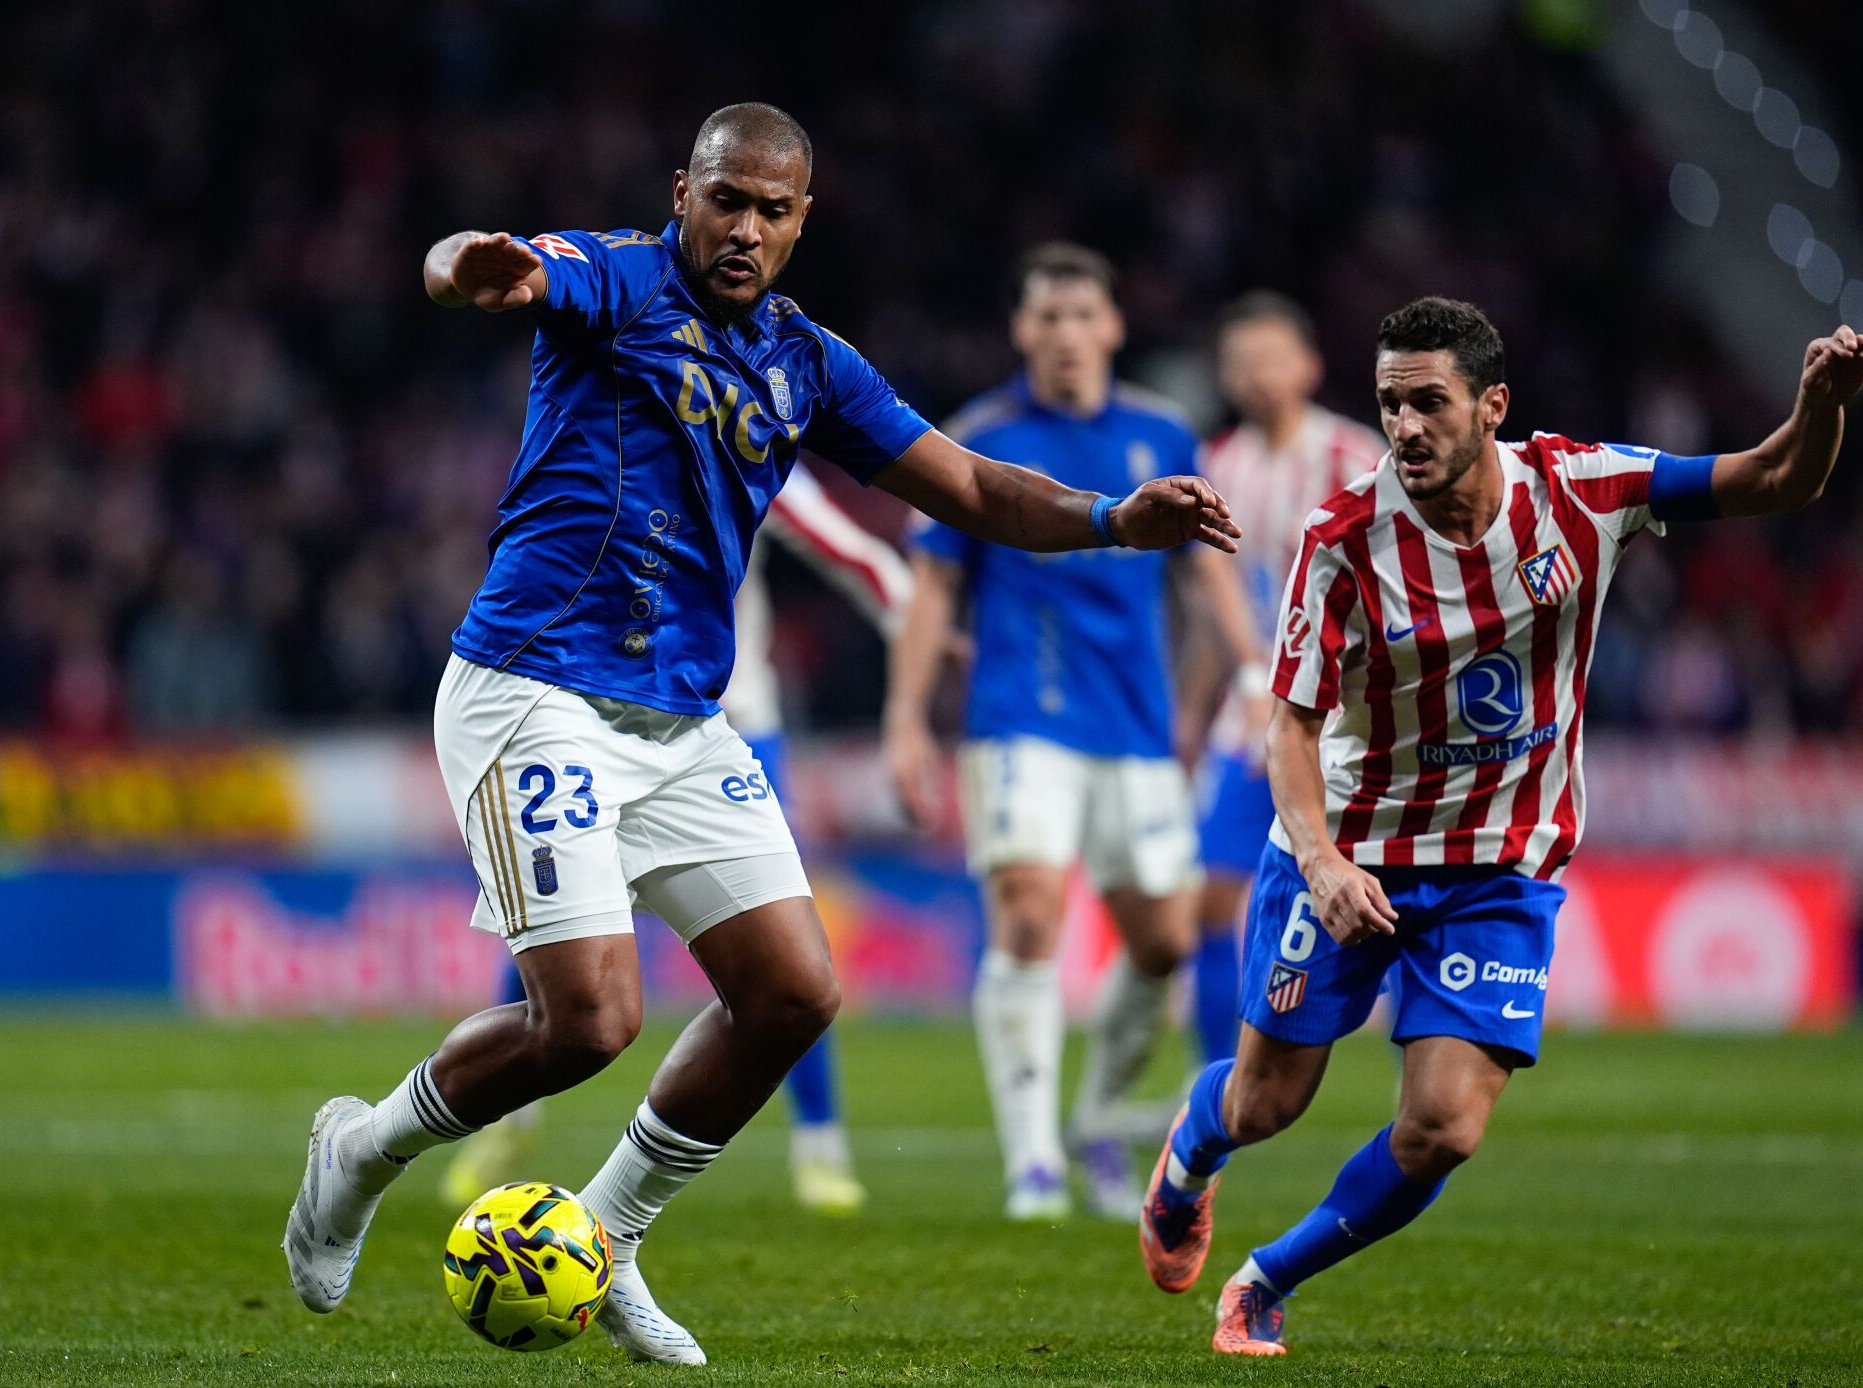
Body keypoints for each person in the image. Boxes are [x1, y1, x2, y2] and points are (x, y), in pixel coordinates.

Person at [279, 102, 1240, 1367]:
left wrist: (1115, 519)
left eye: (770, 209)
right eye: (724, 199)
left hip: (681, 717)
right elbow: (467, 258)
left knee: (794, 992)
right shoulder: (611, 280)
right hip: (533, 689)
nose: (743, 228)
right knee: (588, 1023)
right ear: (682, 191)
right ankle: (357, 1149)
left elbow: (968, 487)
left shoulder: (810, 363)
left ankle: (606, 1235)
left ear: (799, 221)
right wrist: (471, 266)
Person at [1137, 297, 1863, 1356]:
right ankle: (1185, 1164)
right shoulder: (1342, 536)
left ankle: (1265, 1279)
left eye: (1428, 402)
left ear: (1491, 405)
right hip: (1349, 849)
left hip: (1499, 863)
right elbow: (1289, 727)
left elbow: (1772, 477)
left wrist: (1816, 405)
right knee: (1264, 1102)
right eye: (1389, 402)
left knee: (1443, 1123)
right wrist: (1317, 859)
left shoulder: (1584, 490)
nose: (1404, 426)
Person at [883, 244, 1262, 1222]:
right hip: (1019, 720)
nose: (1061, 333)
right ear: (1019, 332)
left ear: (1111, 327)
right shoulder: (979, 436)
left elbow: (1205, 566)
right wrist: (904, 718)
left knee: (1165, 941)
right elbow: (932, 585)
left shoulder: (1160, 430)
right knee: (1027, 912)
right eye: (1043, 316)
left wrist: (1249, 672)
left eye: (1078, 314)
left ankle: (1095, 1118)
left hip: (1135, 729)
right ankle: (1031, 1163)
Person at [438, 462, 910, 1218]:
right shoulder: (613, 443)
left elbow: (855, 556)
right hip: (595, 720)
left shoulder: (751, 448)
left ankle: (820, 1146)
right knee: (561, 934)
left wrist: (915, 628)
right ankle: (508, 1118)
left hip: (731, 731)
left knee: (786, 958)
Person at [1180, 292, 1386, 1065]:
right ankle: (1212, 1083)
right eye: (1240, 363)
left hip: (1351, 720)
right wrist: (1198, 714)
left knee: (1391, 895)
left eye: (1270, 358)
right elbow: (1212, 593)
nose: (1256, 376)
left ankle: (1421, 1084)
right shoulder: (1218, 464)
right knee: (1208, 902)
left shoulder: (1357, 457)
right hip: (1255, 715)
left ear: (1308, 365)